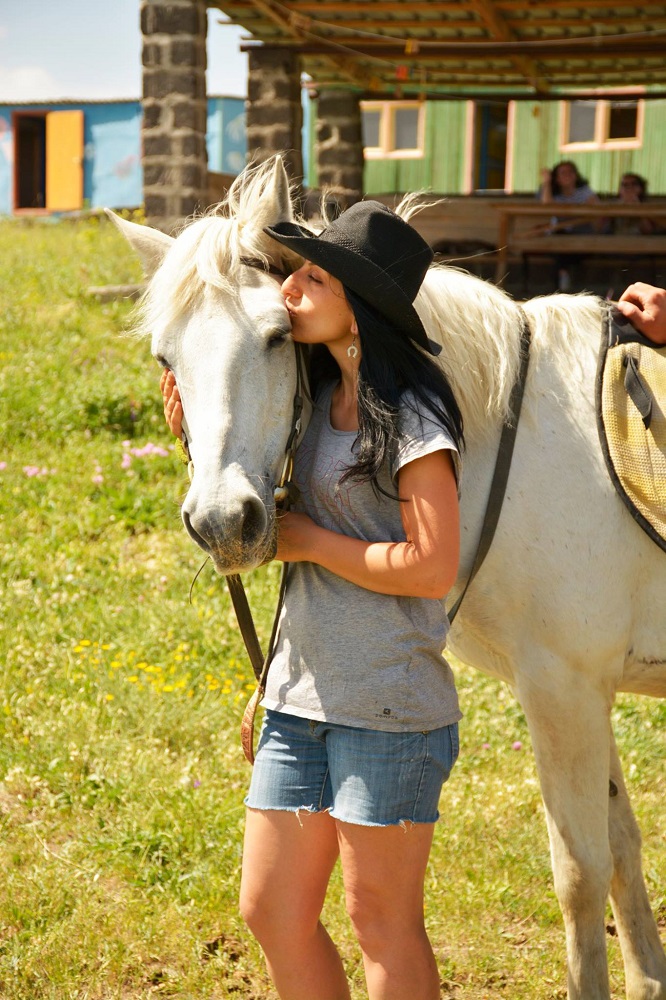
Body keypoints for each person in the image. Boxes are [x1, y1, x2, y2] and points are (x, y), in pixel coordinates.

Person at [162, 201, 464, 1000]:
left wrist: (310, 543)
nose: (290, 286)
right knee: (268, 910)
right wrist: (198, 435)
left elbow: (433, 567)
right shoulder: (313, 399)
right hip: (301, 700)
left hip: (390, 707)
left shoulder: (412, 420)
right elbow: (255, 486)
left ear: (357, 307)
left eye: (313, 275)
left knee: (381, 921)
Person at [538, 160, 605, 291]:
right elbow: (547, 206)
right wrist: (546, 182)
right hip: (560, 237)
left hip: (583, 235)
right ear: (556, 178)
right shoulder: (555, 195)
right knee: (559, 241)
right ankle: (563, 279)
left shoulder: (585, 192)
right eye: (563, 173)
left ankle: (560, 282)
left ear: (576, 175)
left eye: (571, 172)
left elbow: (598, 210)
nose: (567, 175)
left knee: (562, 248)